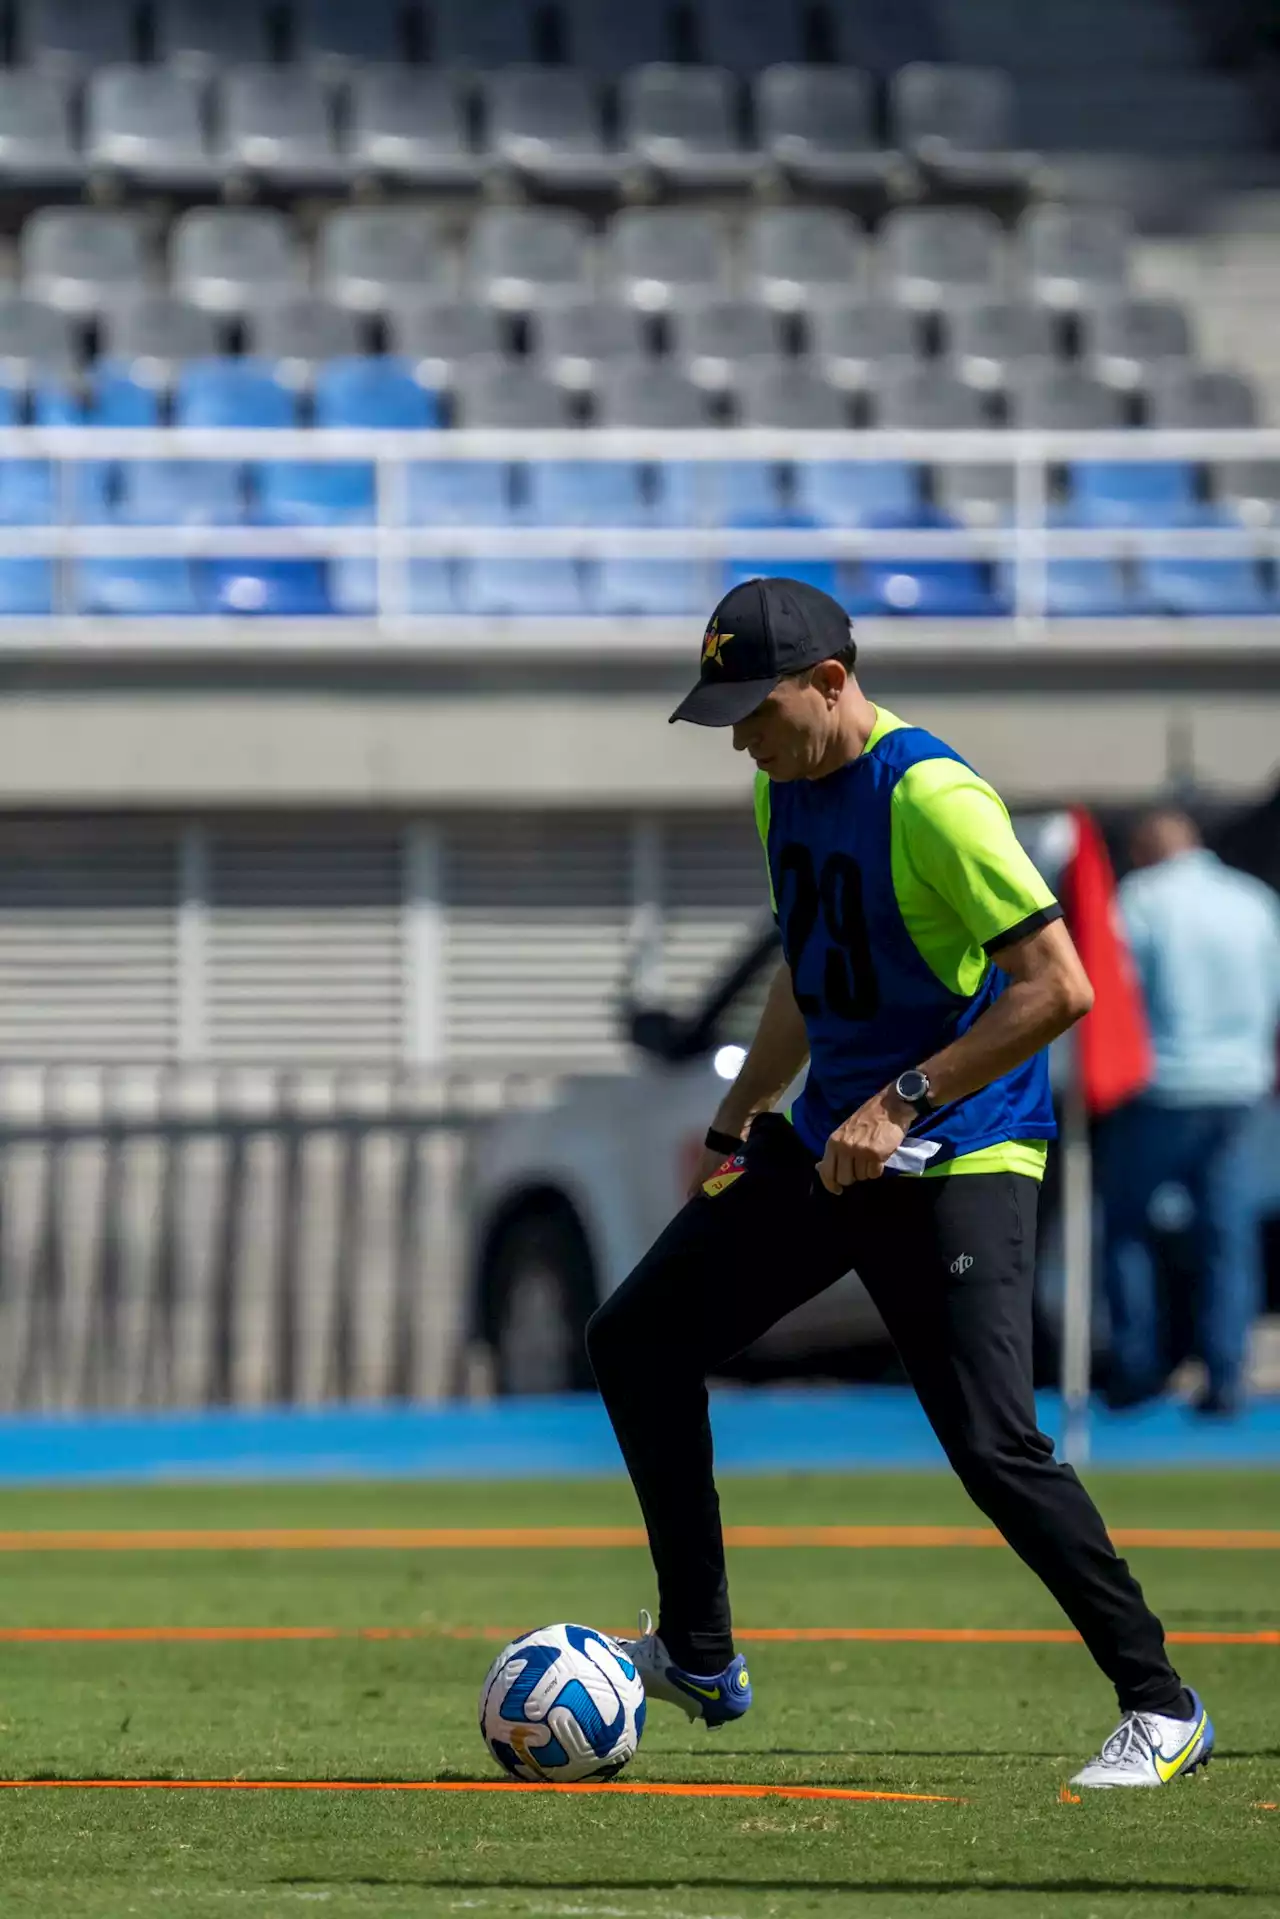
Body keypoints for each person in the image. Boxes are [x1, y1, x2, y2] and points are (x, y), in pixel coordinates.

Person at [586, 578, 1213, 1790]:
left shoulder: (931, 795)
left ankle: (1160, 1700)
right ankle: (701, 1651)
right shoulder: (782, 785)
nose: (739, 738)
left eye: (753, 709)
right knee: (637, 1338)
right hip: (828, 1141)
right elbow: (804, 972)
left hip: (959, 1155)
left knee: (990, 1442)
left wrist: (901, 1102)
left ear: (829, 683)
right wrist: (735, 1115)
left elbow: (1056, 988)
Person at [1100, 808, 1280, 1415]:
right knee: (1228, 1234)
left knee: (1126, 1225)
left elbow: (1114, 991)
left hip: (1163, 1084)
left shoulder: (1139, 900)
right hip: (1239, 1086)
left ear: (1146, 849)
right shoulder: (1252, 900)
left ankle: (1137, 1365)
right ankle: (1227, 1376)